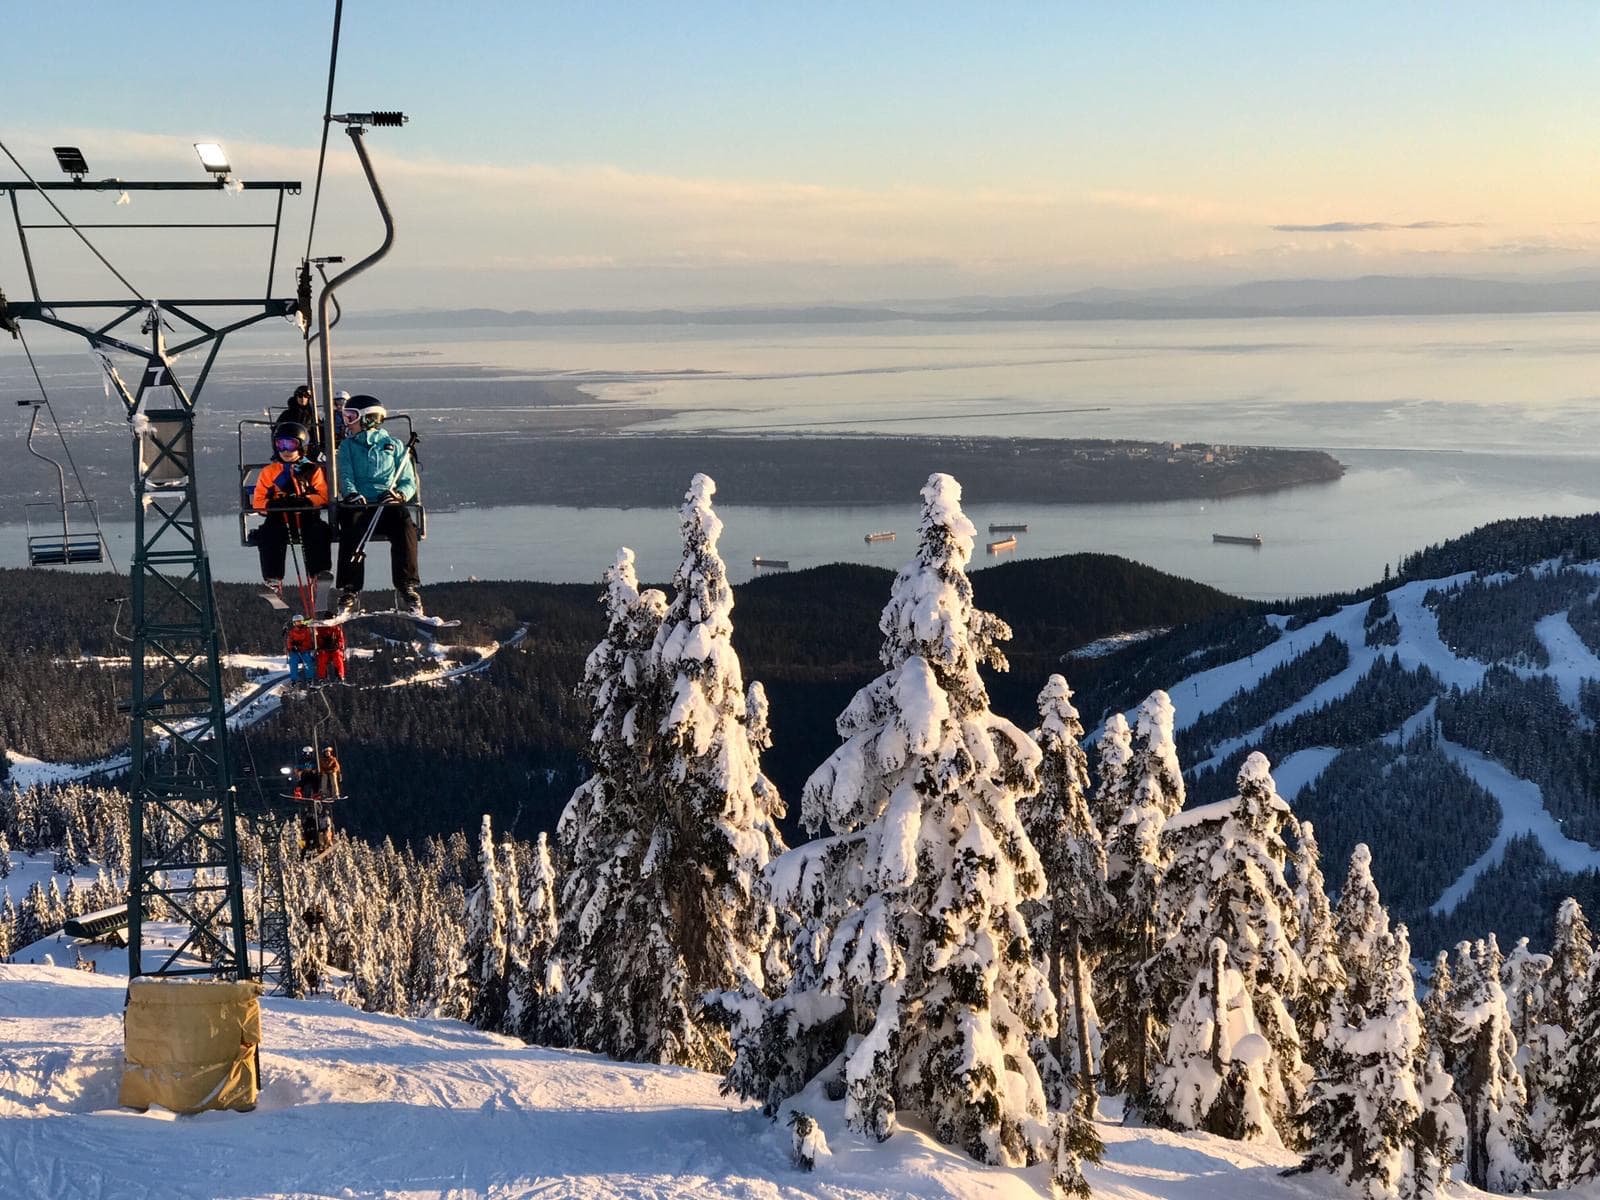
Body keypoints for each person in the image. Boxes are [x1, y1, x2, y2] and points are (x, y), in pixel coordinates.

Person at [335, 395, 422, 616]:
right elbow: (345, 474)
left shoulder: (393, 446)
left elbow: (408, 480)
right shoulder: (348, 446)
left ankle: (407, 585)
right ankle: (350, 587)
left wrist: (400, 494)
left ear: (368, 418)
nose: (347, 422)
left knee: (404, 524)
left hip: (387, 503)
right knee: (351, 526)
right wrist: (351, 493)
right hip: (360, 504)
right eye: (346, 417)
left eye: (351, 417)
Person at [252, 422, 333, 602]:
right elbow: (258, 501)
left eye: (291, 445)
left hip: (306, 516)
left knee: (318, 533)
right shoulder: (269, 472)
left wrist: (306, 500)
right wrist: (272, 505)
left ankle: (318, 574)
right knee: (268, 535)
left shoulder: (311, 470)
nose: (286, 450)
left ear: (301, 446)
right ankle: (273, 578)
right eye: (281, 445)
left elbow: (324, 496)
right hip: (279, 518)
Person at [277, 384, 322, 459]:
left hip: (308, 449)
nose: (303, 398)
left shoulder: (312, 414)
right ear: (296, 397)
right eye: (300, 396)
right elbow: (277, 430)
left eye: (306, 396)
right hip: (290, 448)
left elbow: (319, 430)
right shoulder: (287, 414)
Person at [285, 615, 315, 684]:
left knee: (307, 660)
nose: (298, 624)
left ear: (302, 622)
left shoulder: (306, 630)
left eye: (300, 622)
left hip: (304, 651)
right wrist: (292, 647)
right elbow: (289, 641)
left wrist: (300, 645)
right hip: (295, 652)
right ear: (294, 623)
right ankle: (294, 679)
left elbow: (308, 641)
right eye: (297, 622)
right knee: (293, 661)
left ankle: (309, 678)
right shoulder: (292, 632)